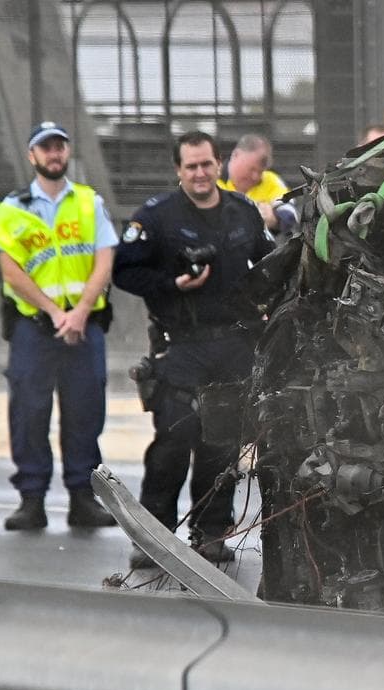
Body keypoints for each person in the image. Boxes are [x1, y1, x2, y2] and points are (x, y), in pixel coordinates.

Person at [114, 130, 274, 567]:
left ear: (218, 164)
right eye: (191, 167)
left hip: (233, 345)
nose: (200, 173)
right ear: (178, 171)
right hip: (180, 347)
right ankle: (153, 536)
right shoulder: (157, 217)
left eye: (206, 164)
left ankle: (210, 534)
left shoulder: (241, 211)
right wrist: (171, 284)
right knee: (172, 443)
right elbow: (124, 272)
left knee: (220, 447)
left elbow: (268, 261)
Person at [0, 121, 118, 530]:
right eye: (45, 148)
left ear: (67, 151)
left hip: (84, 325)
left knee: (85, 411)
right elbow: (11, 272)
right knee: (29, 412)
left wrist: (78, 313)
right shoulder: (12, 209)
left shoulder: (88, 202)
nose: (54, 154)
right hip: (34, 327)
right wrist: (56, 312)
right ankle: (32, 499)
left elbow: (104, 259)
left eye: (59, 146)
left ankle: (83, 498)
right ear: (32, 156)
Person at [217, 133, 298, 237]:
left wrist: (274, 219)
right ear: (236, 155)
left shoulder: (270, 180)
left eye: (260, 171)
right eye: (252, 169)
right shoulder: (213, 179)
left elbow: (291, 213)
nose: (255, 176)